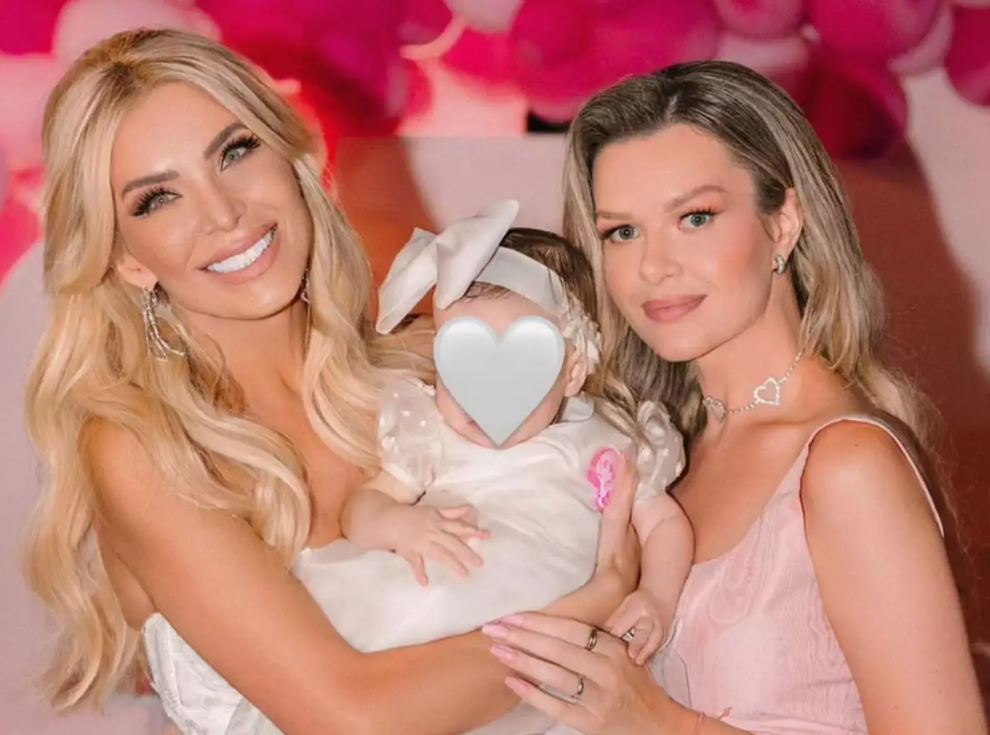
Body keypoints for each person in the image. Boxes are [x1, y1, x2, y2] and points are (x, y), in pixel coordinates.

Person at [19, 29, 642, 735]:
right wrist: (594, 605)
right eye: (158, 198)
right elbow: (352, 718)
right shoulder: (146, 448)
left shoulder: (421, 378)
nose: (222, 213)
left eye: (235, 152)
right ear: (126, 260)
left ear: (295, 158)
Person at [475, 61, 988, 735]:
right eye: (621, 231)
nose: (653, 266)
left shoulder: (845, 464)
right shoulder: (660, 453)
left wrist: (663, 724)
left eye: (695, 217)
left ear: (783, 224)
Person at [228, 203, 692, 735]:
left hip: (545, 653)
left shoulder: (606, 442)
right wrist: (398, 525)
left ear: (572, 371)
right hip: (433, 618)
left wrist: (657, 595)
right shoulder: (433, 433)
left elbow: (663, 522)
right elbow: (366, 507)